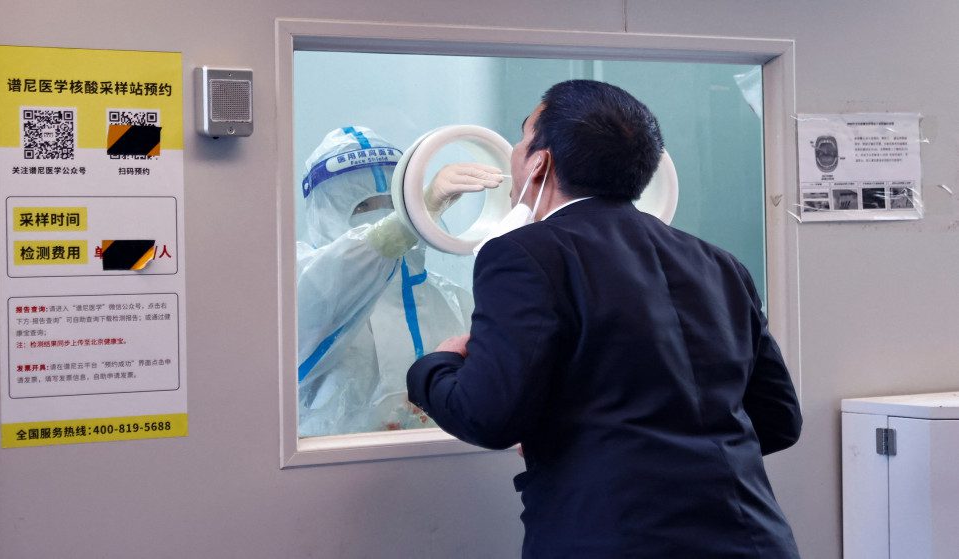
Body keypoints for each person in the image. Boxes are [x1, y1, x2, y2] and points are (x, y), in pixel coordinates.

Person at [406, 81, 802, 558]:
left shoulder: (523, 255)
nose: (514, 152)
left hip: (615, 539)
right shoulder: (718, 262)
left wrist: (435, 367)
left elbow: (488, 417)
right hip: (753, 538)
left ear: (540, 162)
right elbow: (778, 420)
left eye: (523, 136)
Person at [298, 126, 503, 437]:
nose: (379, 216)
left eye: (391, 203)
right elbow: (335, 281)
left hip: (446, 461)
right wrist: (413, 216)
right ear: (326, 214)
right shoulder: (303, 282)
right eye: (363, 206)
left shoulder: (450, 298)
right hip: (333, 463)